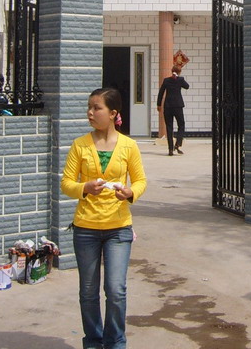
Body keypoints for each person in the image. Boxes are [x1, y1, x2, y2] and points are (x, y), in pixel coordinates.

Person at [61, 88, 147, 349]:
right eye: (89, 107)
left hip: (118, 228)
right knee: (88, 292)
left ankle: (115, 342)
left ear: (112, 113)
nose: (90, 112)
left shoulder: (129, 146)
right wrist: (84, 188)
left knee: (116, 290)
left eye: (96, 108)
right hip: (85, 228)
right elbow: (66, 183)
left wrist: (130, 193)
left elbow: (140, 180)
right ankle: (93, 341)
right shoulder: (80, 145)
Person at [157, 64, 189, 155]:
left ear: (171, 71)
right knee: (181, 125)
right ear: (179, 72)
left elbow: (161, 92)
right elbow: (187, 86)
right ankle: (178, 144)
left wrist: (159, 104)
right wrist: (179, 78)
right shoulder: (180, 80)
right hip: (178, 106)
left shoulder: (166, 80)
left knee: (169, 127)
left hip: (168, 106)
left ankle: (170, 149)